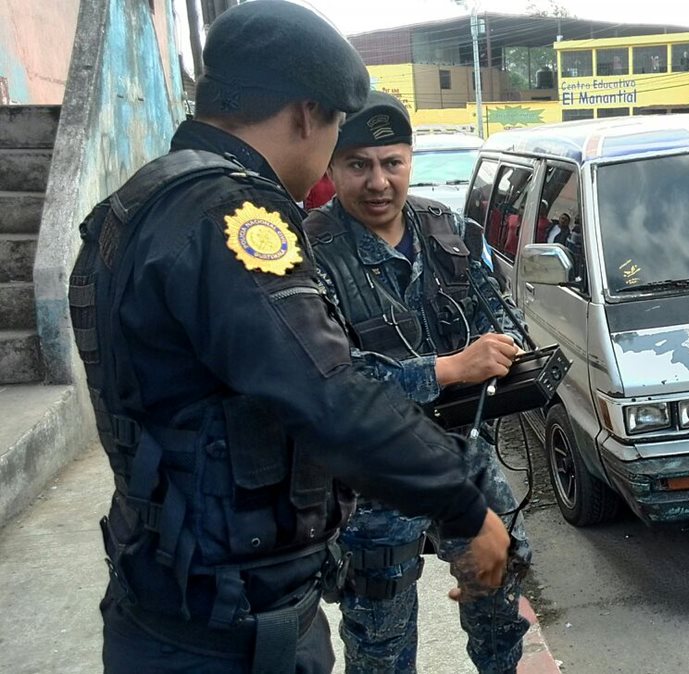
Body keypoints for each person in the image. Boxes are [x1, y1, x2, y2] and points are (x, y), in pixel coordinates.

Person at [69, 3, 513, 671]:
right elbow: (327, 391)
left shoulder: (140, 201)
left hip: (170, 591)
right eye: (339, 133)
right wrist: (463, 507)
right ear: (308, 114)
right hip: (232, 626)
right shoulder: (233, 216)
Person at [304, 91, 531, 674]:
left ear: (410, 161)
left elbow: (498, 318)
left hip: (463, 453)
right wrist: (449, 368)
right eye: (359, 165)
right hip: (374, 477)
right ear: (331, 166)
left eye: (392, 163)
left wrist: (502, 350)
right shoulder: (309, 253)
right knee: (381, 636)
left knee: (504, 585)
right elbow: (332, 386)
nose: (378, 182)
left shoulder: (445, 228)